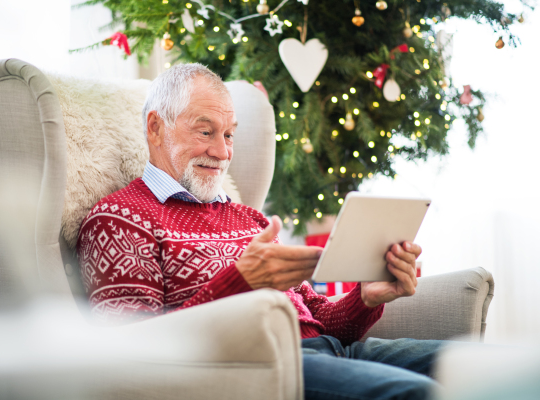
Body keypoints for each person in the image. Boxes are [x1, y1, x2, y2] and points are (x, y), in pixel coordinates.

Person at [77, 63, 444, 399]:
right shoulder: (119, 218)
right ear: (156, 128)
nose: (222, 151)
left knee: (474, 365)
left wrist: (364, 298)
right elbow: (128, 351)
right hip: (252, 370)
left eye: (230, 135)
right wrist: (240, 282)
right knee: (417, 392)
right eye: (205, 131)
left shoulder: (248, 219)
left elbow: (317, 321)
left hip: (329, 352)